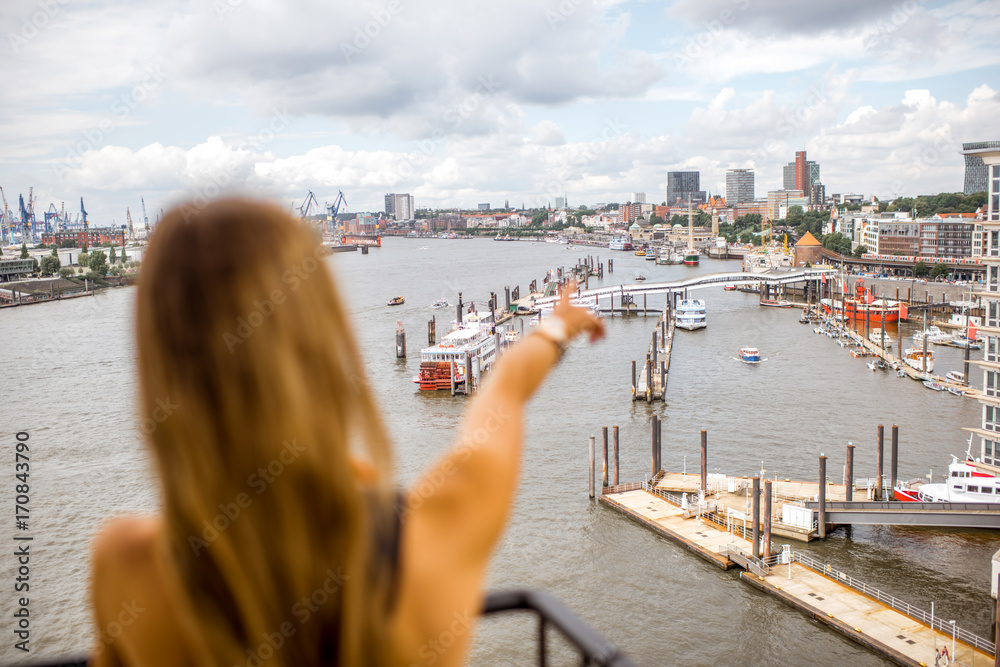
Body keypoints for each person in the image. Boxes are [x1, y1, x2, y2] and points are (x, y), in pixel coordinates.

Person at [89, 198, 604, 666]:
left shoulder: (125, 566)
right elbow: (503, 399)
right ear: (324, 344)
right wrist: (555, 328)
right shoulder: (423, 539)